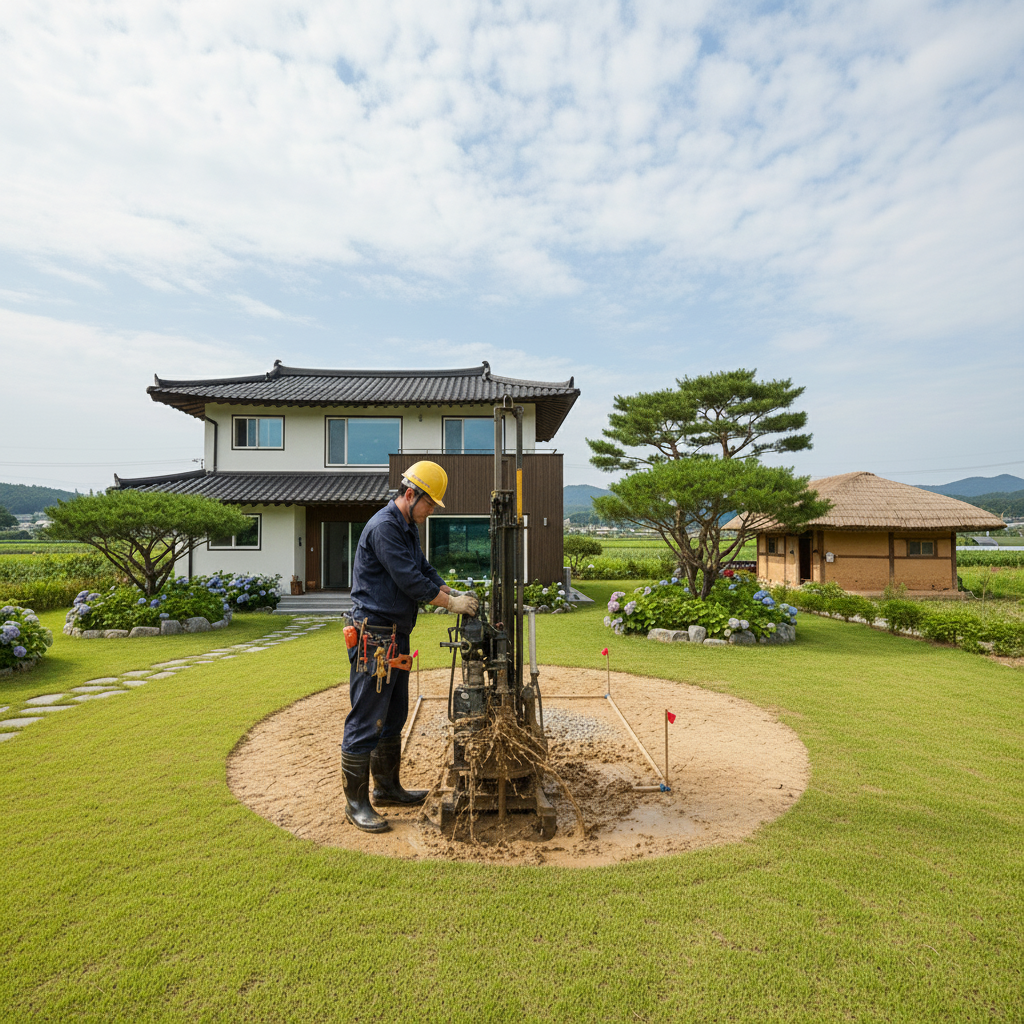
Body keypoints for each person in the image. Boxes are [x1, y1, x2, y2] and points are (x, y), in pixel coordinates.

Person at [341, 460, 479, 833]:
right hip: (374, 637)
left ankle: (386, 788)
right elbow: (408, 581)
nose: (430, 511)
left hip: (395, 635)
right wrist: (450, 604)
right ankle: (356, 804)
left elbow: (423, 570)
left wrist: (450, 590)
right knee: (367, 717)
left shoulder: (406, 528)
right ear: (410, 494)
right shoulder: (385, 528)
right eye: (429, 504)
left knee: (394, 716)